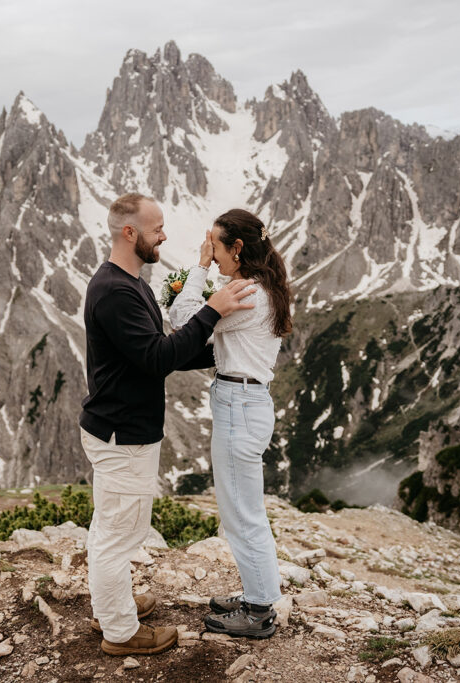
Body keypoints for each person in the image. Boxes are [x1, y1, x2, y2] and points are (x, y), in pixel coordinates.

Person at [80, 193, 257, 656]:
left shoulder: (127, 280)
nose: (165, 236)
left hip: (117, 426)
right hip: (123, 433)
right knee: (120, 535)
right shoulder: (117, 291)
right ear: (130, 233)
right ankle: (119, 631)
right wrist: (213, 310)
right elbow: (158, 358)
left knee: (111, 527)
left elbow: (157, 348)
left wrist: (222, 350)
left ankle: (111, 603)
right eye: (157, 229)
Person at [168, 208, 293, 639]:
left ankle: (259, 611)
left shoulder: (245, 293)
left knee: (242, 512)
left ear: (236, 249)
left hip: (239, 405)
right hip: (243, 401)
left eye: (217, 247)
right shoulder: (260, 287)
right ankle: (255, 593)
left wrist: (199, 268)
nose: (213, 254)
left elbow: (183, 320)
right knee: (240, 508)